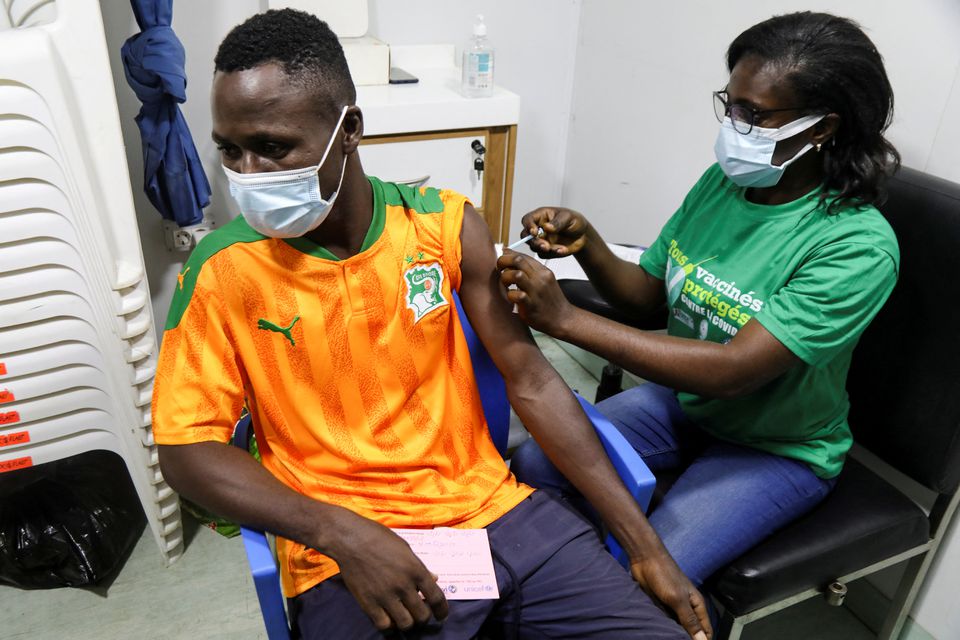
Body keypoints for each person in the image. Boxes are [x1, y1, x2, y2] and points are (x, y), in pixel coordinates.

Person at [151, 9, 708, 640]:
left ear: (348, 130)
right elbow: (186, 449)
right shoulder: (224, 268)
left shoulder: (443, 228)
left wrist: (645, 546)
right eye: (230, 149)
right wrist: (335, 531)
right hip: (346, 547)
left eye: (274, 148)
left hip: (493, 511)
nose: (247, 176)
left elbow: (534, 382)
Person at [497, 10, 900, 599]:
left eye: (754, 114)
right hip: (687, 407)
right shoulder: (725, 185)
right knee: (535, 465)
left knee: (649, 578)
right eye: (730, 103)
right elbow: (645, 303)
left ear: (821, 128)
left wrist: (564, 319)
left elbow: (733, 372)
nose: (735, 124)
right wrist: (588, 245)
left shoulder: (854, 246)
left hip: (776, 448)